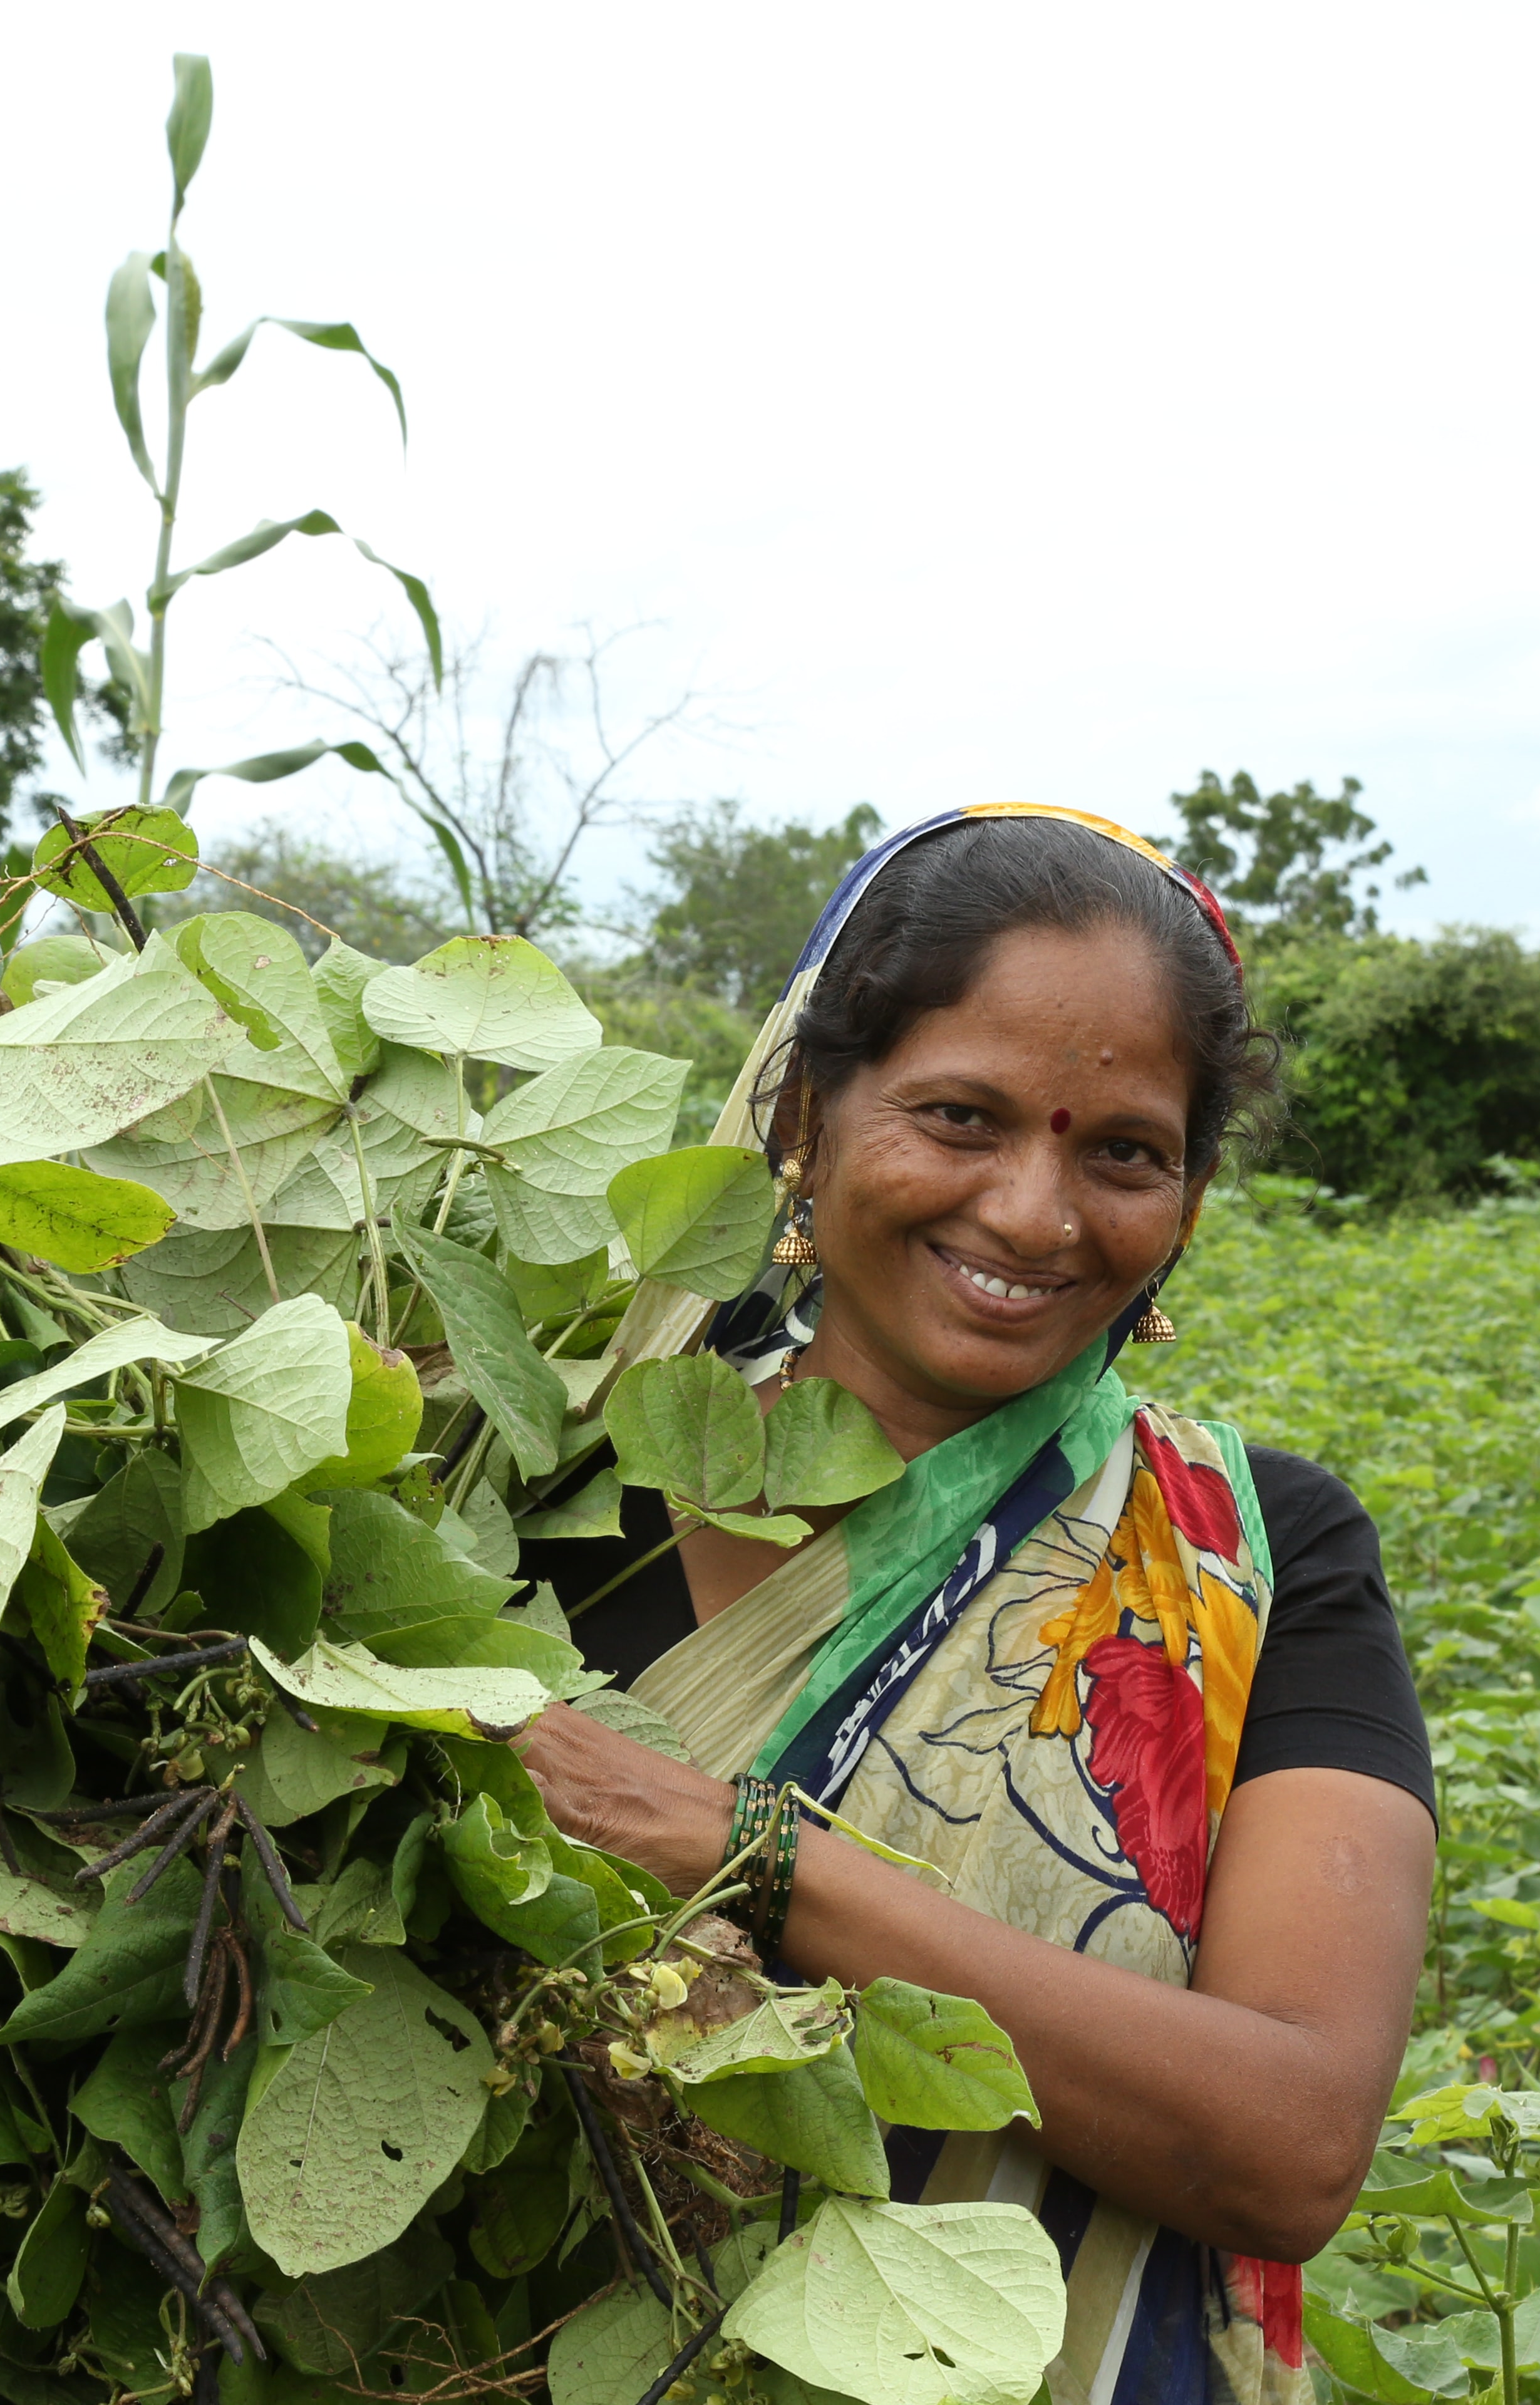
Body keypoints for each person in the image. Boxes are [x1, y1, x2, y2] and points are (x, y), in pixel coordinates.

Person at [510, 805, 1435, 2405]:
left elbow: (1290, 2143)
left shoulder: (1254, 1557)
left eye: (1124, 1151)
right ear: (806, 1120)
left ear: (1193, 1200)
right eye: (958, 1117)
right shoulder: (536, 1488)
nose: (1032, 1213)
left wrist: (749, 1856)